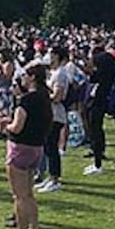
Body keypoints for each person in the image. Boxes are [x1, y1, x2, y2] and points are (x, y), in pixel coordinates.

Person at [0, 62, 52, 229]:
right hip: (36, 148)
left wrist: (7, 126)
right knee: (29, 194)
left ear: (31, 78)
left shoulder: (27, 100)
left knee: (19, 196)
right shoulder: (44, 97)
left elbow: (18, 126)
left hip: (20, 148)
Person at [37, 44, 73, 194]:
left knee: (52, 147)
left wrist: (43, 95)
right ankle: (50, 176)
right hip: (49, 113)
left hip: (56, 114)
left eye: (52, 54)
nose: (49, 56)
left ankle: (55, 179)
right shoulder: (53, 72)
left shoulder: (60, 74)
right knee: (47, 146)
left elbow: (57, 97)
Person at [82, 42, 115, 175]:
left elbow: (94, 74)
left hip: (98, 103)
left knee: (95, 130)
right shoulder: (101, 76)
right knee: (93, 130)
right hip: (94, 102)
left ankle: (98, 164)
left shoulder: (105, 79)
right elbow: (91, 74)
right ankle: (96, 160)